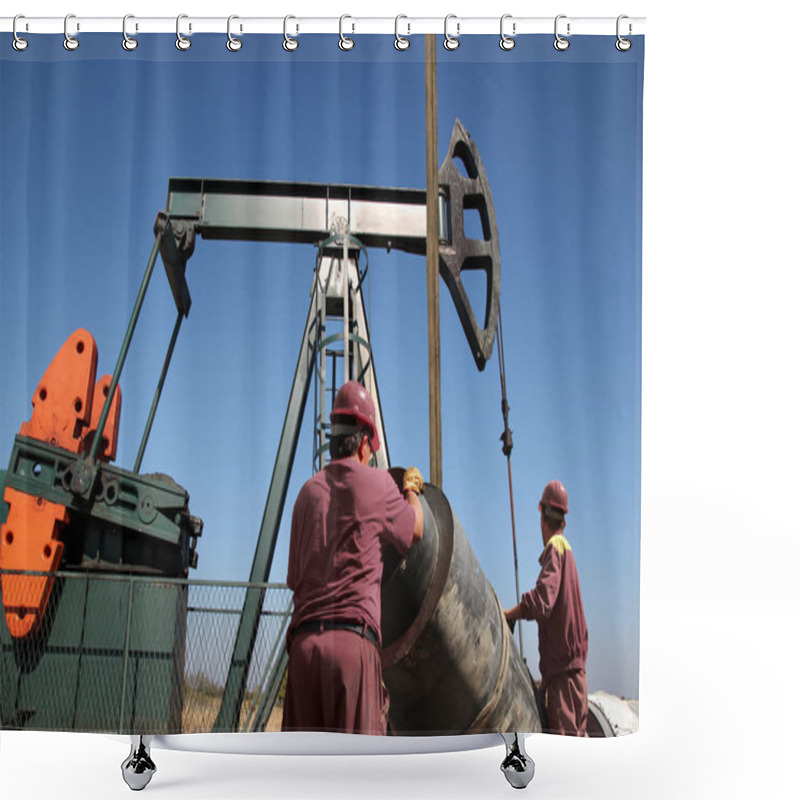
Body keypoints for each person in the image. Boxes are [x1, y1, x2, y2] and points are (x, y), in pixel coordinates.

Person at [281, 380, 424, 734]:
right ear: (364, 442)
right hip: (351, 651)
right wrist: (411, 490)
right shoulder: (379, 485)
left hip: (304, 652)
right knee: (356, 777)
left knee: (300, 778)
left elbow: (294, 580)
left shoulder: (305, 495)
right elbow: (415, 530)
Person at [504, 479, 589, 736]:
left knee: (563, 760)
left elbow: (543, 601)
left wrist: (510, 614)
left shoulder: (554, 549)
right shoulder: (568, 551)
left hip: (562, 678)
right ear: (563, 520)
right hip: (576, 676)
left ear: (542, 516)